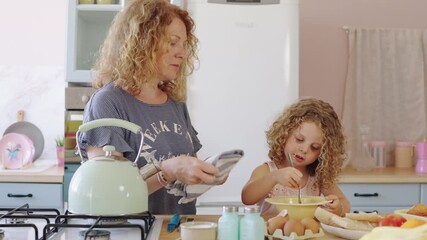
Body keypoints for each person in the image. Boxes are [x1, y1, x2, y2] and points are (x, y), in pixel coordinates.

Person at [78, 0, 222, 214]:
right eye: (173, 42)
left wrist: (207, 175)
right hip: (132, 231)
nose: (181, 53)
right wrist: (167, 172)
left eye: (184, 44)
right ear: (142, 42)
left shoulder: (175, 104)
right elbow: (108, 194)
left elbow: (183, 186)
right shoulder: (108, 103)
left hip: (176, 230)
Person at [241, 98, 351, 216]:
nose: (304, 149)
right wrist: (273, 177)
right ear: (284, 134)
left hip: (308, 233)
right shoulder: (267, 170)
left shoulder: (318, 178)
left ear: (324, 152)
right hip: (269, 233)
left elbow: (345, 203)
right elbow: (246, 198)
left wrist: (338, 208)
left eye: (314, 147)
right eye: (299, 139)